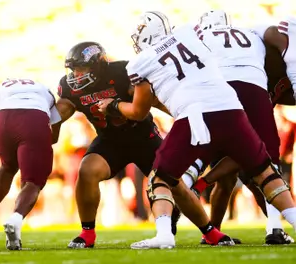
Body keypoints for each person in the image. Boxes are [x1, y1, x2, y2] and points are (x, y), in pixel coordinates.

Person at [98, 11, 296, 248]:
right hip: (230, 106)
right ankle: (281, 224)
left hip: (194, 114)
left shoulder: (139, 63)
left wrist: (114, 106)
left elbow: (139, 111)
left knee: (160, 178)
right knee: (265, 171)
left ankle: (164, 234)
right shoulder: (188, 34)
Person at [57, 41, 213, 250]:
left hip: (143, 136)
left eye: (81, 68)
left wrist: (184, 115)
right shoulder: (70, 88)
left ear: (98, 66)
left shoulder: (124, 72)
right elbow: (59, 113)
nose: (76, 74)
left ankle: (210, 231)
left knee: (175, 185)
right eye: (73, 69)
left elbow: (154, 101)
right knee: (87, 172)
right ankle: (87, 233)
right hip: (109, 140)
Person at [191, 12, 295, 244]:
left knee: (230, 176)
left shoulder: (210, 41)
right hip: (249, 94)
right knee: (267, 165)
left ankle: (212, 231)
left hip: (220, 96)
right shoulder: (262, 44)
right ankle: (274, 229)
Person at [0, 78, 61, 250]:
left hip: (3, 119)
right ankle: (15, 219)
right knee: (33, 181)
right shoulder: (44, 89)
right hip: (34, 118)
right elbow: (54, 134)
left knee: (7, 166)